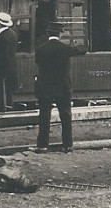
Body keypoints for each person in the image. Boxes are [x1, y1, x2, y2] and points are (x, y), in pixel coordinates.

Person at [34, 23, 86, 153]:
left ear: (48, 34)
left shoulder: (41, 49)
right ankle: (67, 145)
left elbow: (38, 63)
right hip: (63, 87)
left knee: (44, 116)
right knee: (66, 115)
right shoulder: (65, 48)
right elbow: (82, 50)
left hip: (45, 87)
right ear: (60, 34)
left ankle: (42, 145)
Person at [0, 12, 19, 112]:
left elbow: (0, 54)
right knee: (9, 92)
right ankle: (9, 110)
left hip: (1, 69)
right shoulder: (13, 34)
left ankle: (2, 112)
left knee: (1, 92)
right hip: (12, 67)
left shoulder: (2, 37)